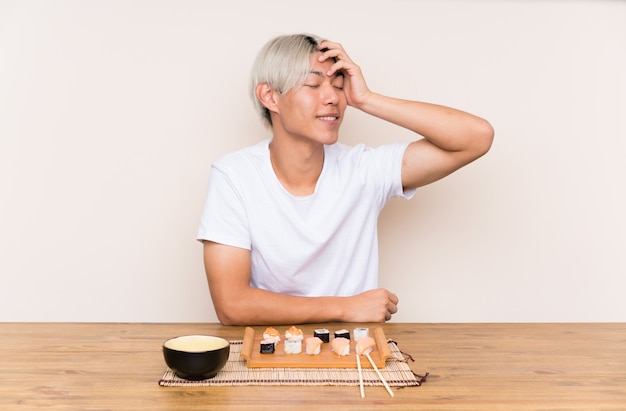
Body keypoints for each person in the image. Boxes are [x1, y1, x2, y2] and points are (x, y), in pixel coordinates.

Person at [197, 33, 494, 326]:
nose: (332, 98)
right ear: (270, 96)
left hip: (355, 355)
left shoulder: (365, 169)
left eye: (339, 87)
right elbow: (231, 305)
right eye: (313, 85)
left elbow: (476, 137)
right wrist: (347, 307)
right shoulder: (235, 175)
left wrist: (367, 99)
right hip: (271, 350)